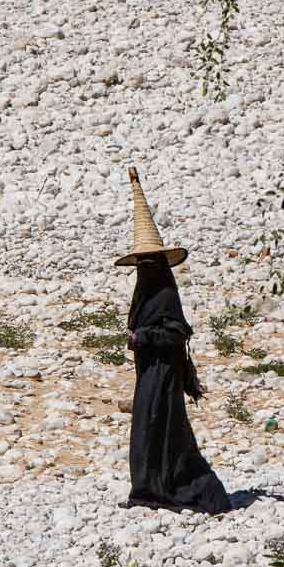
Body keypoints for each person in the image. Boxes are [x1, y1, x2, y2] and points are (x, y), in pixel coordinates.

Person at [115, 168, 231, 514]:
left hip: (164, 373)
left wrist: (143, 336)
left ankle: (170, 489)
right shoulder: (148, 290)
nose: (146, 269)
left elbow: (178, 330)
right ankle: (151, 489)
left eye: (150, 263)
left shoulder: (163, 291)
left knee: (161, 428)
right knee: (150, 429)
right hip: (150, 372)